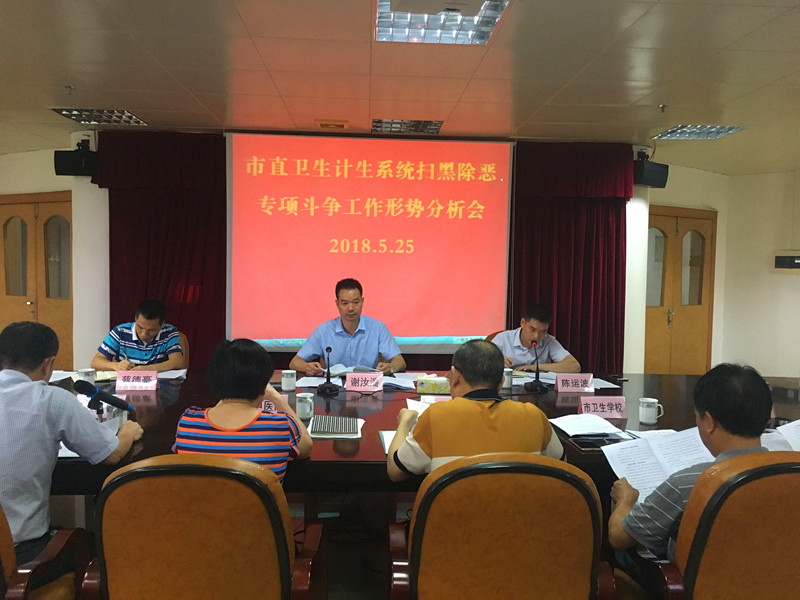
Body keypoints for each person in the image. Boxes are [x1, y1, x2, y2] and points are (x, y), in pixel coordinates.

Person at [0, 322, 143, 564]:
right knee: (99, 546)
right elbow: (112, 454)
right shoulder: (53, 400)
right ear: (48, 364)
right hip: (19, 556)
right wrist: (127, 432)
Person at [608, 363, 772, 565]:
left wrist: (625, 499)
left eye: (697, 416)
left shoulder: (690, 483)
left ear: (709, 422)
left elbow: (618, 537)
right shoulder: (790, 474)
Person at [386, 339, 563, 481]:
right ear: (501, 382)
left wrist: (404, 423)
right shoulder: (534, 416)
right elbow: (561, 467)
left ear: (455, 376)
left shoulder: (436, 415)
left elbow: (395, 472)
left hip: (452, 516)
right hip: (521, 515)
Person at [173, 339, 312, 482]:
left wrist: (226, 392)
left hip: (202, 498)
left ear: (214, 380)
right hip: (260, 499)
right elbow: (307, 446)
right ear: (263, 387)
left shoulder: (187, 423)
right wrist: (276, 397)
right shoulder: (281, 426)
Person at [289, 278, 406, 376]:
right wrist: (307, 367)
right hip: (335, 389)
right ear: (337, 304)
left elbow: (400, 361)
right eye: (345, 303)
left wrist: (390, 368)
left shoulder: (378, 328)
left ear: (362, 302)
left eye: (356, 302)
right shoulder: (324, 331)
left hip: (368, 387)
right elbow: (294, 362)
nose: (350, 308)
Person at [91, 298, 185, 372]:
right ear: (135, 318)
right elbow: (95, 362)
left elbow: (178, 362)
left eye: (151, 330)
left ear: (162, 325)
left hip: (158, 386)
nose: (144, 334)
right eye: (140, 327)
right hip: (125, 385)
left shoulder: (169, 332)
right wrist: (115, 365)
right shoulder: (120, 332)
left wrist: (150, 369)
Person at [490, 302, 580, 373]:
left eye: (543, 331)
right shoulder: (503, 338)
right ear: (523, 323)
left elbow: (574, 366)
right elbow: (482, 361)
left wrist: (535, 367)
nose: (536, 336)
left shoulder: (548, 341)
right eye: (532, 329)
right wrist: (497, 362)